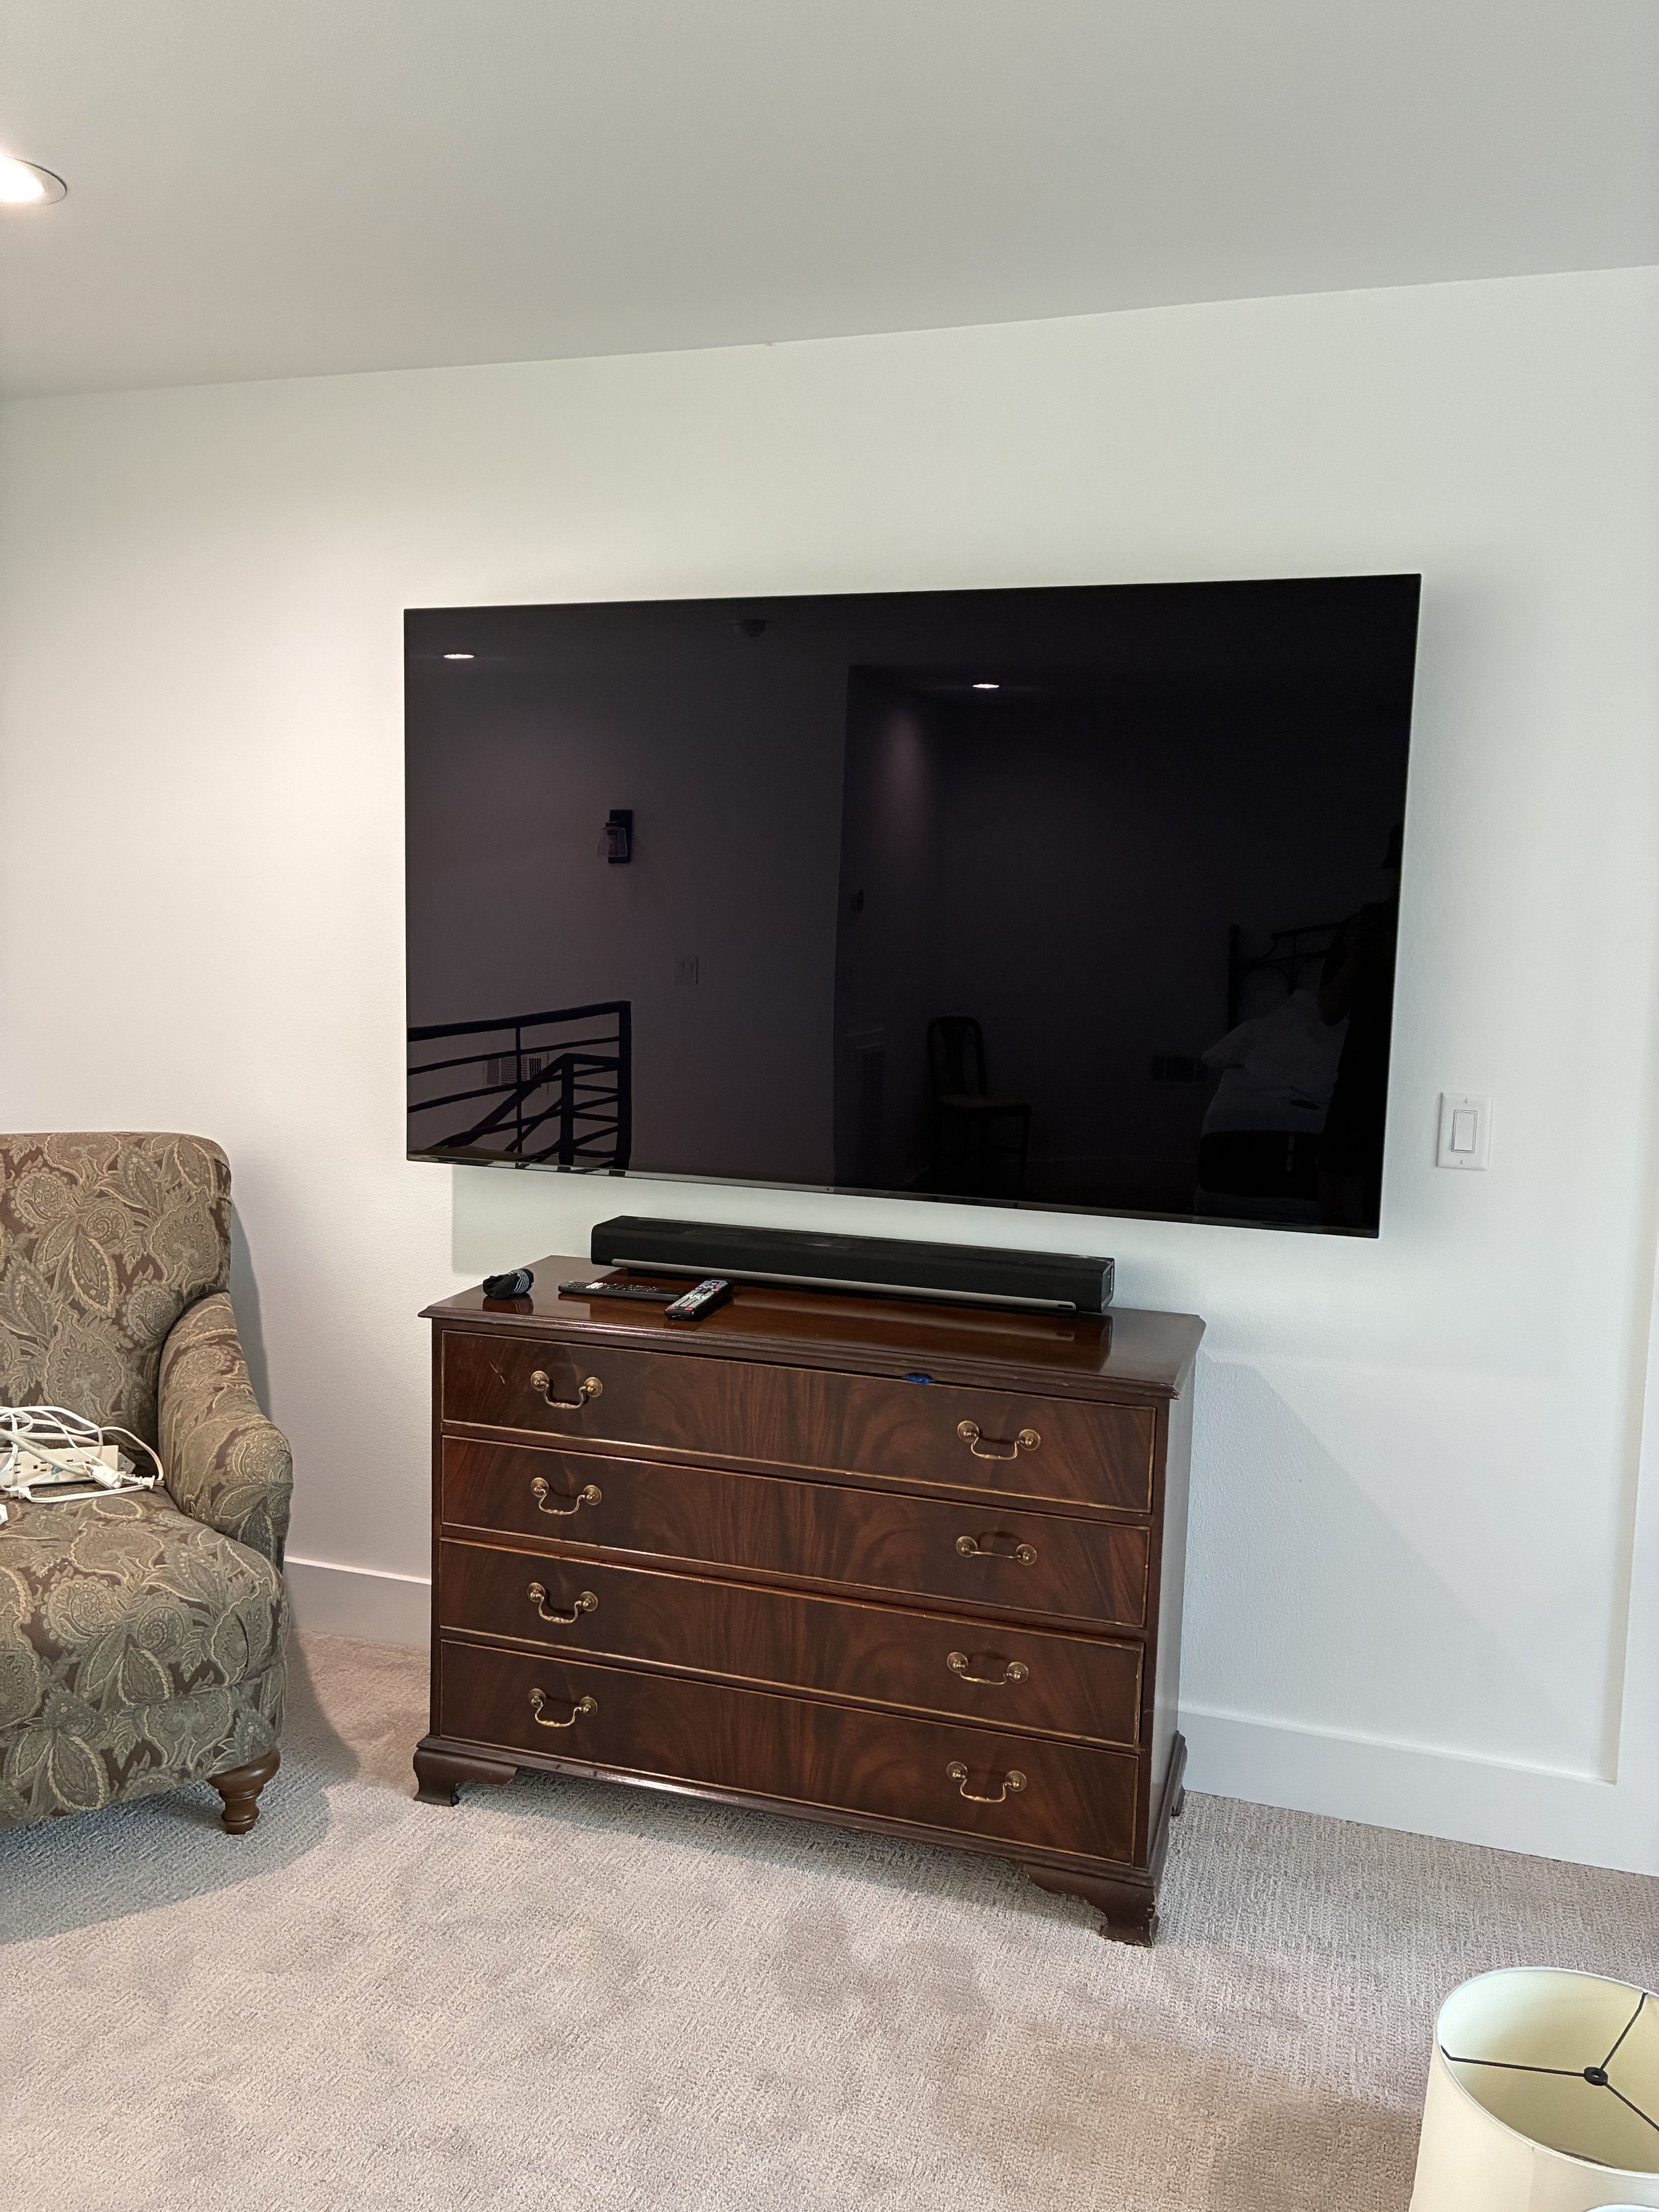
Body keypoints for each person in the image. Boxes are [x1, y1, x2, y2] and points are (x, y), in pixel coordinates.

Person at [1316, 824, 1402, 1227]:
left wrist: (1396, 959)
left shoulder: (1445, 933)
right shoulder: (1360, 930)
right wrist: (1355, 959)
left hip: (1413, 1078)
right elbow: (1328, 1011)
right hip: (1361, 1074)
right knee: (1339, 1192)